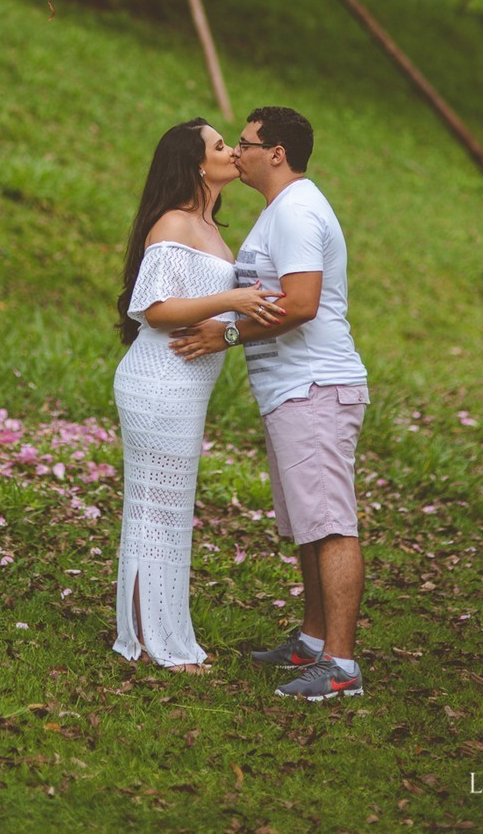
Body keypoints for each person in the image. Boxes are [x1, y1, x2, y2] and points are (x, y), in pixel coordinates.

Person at [170, 105, 369, 703]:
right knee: (310, 524)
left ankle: (339, 666)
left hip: (315, 385)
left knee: (331, 525)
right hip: (292, 389)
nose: (238, 151)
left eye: (248, 143)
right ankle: (312, 642)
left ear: (276, 152)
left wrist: (224, 334)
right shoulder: (280, 212)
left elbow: (302, 302)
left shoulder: (299, 211)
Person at [112, 118, 285, 672]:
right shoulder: (174, 223)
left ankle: (151, 634)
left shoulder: (209, 226)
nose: (233, 151)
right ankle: (151, 641)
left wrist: (241, 304)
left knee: (165, 510)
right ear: (194, 164)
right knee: (154, 510)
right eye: (219, 146)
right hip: (159, 382)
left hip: (184, 386)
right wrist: (232, 297)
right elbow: (155, 308)